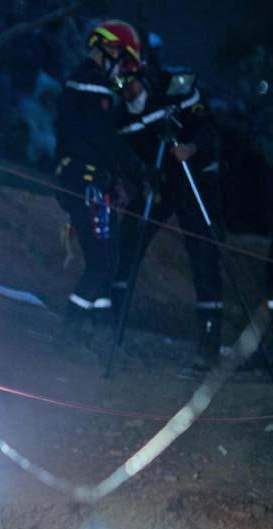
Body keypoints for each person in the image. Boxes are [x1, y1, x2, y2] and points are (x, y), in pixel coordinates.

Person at [114, 60, 224, 367]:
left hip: (195, 178)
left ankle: (209, 342)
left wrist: (191, 146)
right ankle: (113, 323)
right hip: (160, 182)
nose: (126, 92)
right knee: (130, 234)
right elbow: (127, 152)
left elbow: (207, 126)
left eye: (129, 83)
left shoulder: (175, 89)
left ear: (142, 76)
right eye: (118, 87)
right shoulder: (123, 114)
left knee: (204, 253)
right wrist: (142, 179)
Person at [53, 19, 154, 340]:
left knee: (106, 260)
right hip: (84, 182)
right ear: (101, 49)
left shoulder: (94, 86)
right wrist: (140, 170)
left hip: (92, 182)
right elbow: (108, 139)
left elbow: (114, 131)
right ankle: (70, 332)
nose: (121, 66)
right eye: (118, 56)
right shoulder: (92, 86)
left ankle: (100, 331)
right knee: (102, 262)